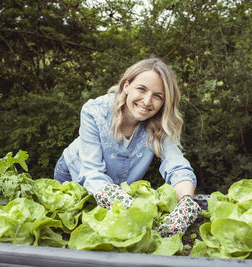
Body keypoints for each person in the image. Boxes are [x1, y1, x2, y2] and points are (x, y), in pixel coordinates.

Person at [54, 58, 201, 237]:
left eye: (158, 96)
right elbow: (92, 172)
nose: (147, 101)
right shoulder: (94, 111)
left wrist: (186, 202)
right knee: (74, 234)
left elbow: (177, 165)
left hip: (116, 189)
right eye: (141, 89)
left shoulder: (160, 123)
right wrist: (130, 207)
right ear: (126, 86)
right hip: (75, 173)